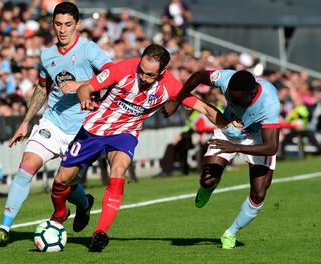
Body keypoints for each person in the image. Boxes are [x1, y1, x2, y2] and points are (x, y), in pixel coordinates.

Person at [52, 44, 228, 252]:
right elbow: (85, 88)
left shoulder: (170, 87)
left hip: (125, 134)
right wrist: (84, 101)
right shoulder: (122, 69)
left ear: (162, 73)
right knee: (62, 181)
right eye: (141, 71)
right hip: (93, 130)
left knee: (118, 170)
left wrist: (230, 126)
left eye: (150, 75)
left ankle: (101, 232)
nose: (143, 78)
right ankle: (65, 212)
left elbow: (204, 108)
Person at [0, 2, 112, 247]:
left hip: (82, 128)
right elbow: (43, 88)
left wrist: (82, 85)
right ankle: (4, 228)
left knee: (65, 184)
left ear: (77, 24)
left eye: (68, 25)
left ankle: (83, 205)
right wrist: (25, 121)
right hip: (52, 121)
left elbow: (110, 72)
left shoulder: (89, 49)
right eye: (58, 24)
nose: (62, 30)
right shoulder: (47, 55)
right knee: (26, 167)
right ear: (52, 24)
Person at [163, 69, 280, 249]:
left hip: (258, 138)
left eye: (237, 99)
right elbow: (198, 76)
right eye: (230, 97)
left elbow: (271, 146)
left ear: (252, 94)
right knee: (208, 180)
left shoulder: (269, 102)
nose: (232, 101)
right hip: (229, 129)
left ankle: (231, 232)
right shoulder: (226, 79)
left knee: (259, 193)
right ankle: (207, 188)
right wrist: (178, 100)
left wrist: (238, 148)